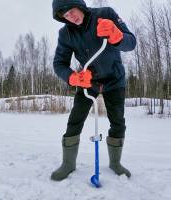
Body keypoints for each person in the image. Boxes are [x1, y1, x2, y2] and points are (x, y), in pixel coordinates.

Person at [51, 0, 136, 181]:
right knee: (75, 120)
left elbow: (131, 43)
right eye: (65, 15)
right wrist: (72, 77)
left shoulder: (106, 14)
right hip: (88, 81)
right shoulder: (65, 34)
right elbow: (59, 63)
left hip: (115, 79)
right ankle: (68, 164)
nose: (71, 17)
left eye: (71, 11)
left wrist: (116, 34)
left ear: (79, 5)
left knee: (118, 122)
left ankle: (115, 163)